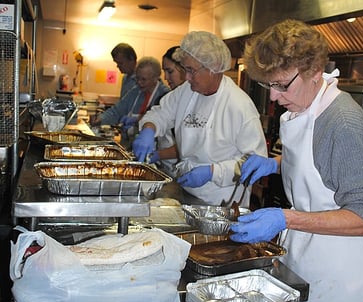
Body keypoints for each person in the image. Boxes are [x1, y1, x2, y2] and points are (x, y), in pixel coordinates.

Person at [229, 19, 363, 302]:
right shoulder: (305, 108)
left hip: (344, 267)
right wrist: (274, 165)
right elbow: (321, 165)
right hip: (309, 249)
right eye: (267, 86)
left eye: (281, 85)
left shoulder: (343, 122)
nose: (273, 98)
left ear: (315, 71)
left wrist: (286, 217)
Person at [133, 31, 268, 207]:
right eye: (185, 69)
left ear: (213, 69)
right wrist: (149, 129)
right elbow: (161, 112)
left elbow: (255, 163)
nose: (186, 77)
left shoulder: (239, 105)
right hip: (187, 194)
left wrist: (212, 172)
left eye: (191, 70)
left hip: (222, 202)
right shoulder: (187, 91)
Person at [101, 57, 170, 147]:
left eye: (143, 79)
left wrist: (137, 124)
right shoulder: (135, 91)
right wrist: (101, 118)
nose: (139, 82)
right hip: (127, 144)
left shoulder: (165, 96)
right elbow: (117, 110)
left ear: (155, 78)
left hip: (150, 148)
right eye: (137, 78)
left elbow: (162, 125)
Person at [148, 46, 186, 177]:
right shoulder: (172, 97)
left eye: (170, 71)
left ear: (184, 69)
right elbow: (158, 116)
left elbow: (189, 145)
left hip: (179, 171)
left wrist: (157, 155)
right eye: (165, 71)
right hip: (166, 168)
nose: (166, 77)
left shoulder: (193, 100)